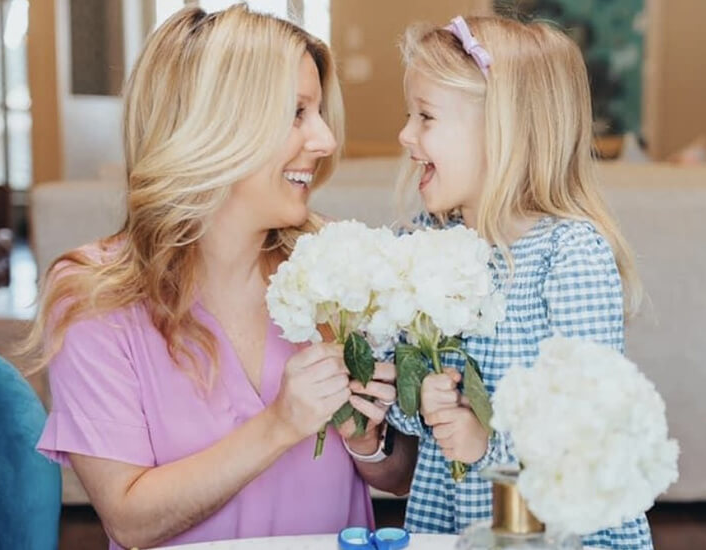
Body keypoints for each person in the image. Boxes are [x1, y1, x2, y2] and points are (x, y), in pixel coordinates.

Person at [21, 6, 415, 549]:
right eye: (297, 113)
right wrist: (280, 424)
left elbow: (395, 477)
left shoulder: (332, 270)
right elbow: (130, 520)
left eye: (319, 112)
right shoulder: (94, 296)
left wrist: (369, 440)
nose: (325, 140)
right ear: (216, 127)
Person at [388, 13, 653, 548]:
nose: (405, 134)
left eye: (426, 117)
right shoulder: (422, 242)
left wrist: (488, 443)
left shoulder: (568, 255)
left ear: (502, 131)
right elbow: (404, 404)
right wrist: (419, 399)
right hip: (450, 521)